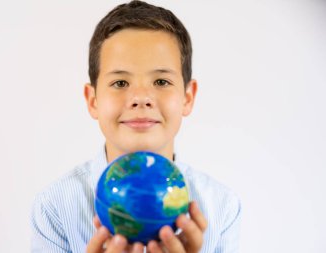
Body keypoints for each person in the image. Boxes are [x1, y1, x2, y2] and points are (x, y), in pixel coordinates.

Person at [30, 1, 241, 252]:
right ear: (93, 100)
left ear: (188, 97)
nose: (141, 97)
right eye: (120, 83)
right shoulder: (54, 207)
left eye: (161, 81)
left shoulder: (221, 206)